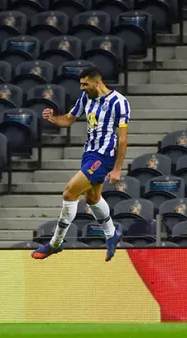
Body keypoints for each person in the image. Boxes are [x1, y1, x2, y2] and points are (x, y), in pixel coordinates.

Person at [31, 67, 130, 261]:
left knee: (69, 192)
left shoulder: (119, 103)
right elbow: (68, 119)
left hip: (104, 156)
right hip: (89, 154)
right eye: (81, 84)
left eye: (85, 84)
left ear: (97, 82)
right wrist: (53, 118)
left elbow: (123, 139)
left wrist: (117, 168)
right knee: (93, 199)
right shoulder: (86, 98)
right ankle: (111, 235)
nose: (82, 88)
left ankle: (55, 243)